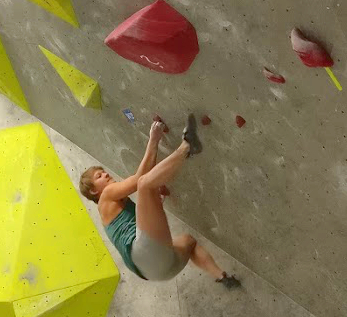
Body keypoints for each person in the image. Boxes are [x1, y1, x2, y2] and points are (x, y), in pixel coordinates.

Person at [79, 115, 240, 287]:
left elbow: (142, 220)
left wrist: (156, 203)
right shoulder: (106, 195)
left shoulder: (110, 213)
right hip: (142, 252)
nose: (106, 174)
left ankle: (223, 277)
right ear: (94, 190)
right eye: (99, 176)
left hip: (156, 272)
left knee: (189, 241)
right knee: (144, 184)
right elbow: (139, 179)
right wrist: (153, 139)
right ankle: (187, 146)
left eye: (103, 171)